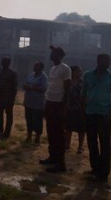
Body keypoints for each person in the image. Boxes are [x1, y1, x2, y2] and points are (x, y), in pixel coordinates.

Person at [82, 53, 111, 183]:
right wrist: (84, 111)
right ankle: (95, 169)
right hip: (90, 113)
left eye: (109, 61)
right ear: (98, 61)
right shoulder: (88, 75)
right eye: (106, 61)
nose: (108, 63)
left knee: (105, 144)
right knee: (92, 143)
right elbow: (83, 94)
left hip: (104, 114)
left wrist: (110, 114)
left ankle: (104, 174)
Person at [39, 45, 71, 173]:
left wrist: (64, 107)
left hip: (58, 104)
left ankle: (61, 162)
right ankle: (52, 157)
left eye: (54, 53)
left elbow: (67, 89)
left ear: (59, 55)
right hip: (50, 102)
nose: (51, 55)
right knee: (51, 132)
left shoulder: (65, 69)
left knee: (59, 134)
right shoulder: (52, 68)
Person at [0, 57, 18, 139]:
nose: (3, 63)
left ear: (9, 63)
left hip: (8, 98)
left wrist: (12, 99)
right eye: (3, 61)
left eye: (5, 62)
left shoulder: (13, 73)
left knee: (9, 116)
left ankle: (7, 134)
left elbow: (14, 87)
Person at [23, 61, 48, 144]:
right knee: (29, 119)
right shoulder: (31, 75)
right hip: (29, 101)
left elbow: (43, 89)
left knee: (37, 120)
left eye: (36, 66)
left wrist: (31, 87)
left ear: (41, 68)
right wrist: (27, 86)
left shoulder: (43, 77)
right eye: (34, 66)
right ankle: (29, 136)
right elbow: (26, 84)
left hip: (38, 103)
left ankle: (37, 137)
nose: (34, 67)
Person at [65, 65, 85, 154]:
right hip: (69, 108)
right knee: (68, 128)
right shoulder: (68, 82)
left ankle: (80, 147)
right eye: (78, 71)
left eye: (80, 71)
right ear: (72, 72)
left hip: (80, 108)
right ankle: (67, 144)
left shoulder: (83, 83)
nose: (80, 73)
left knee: (81, 129)